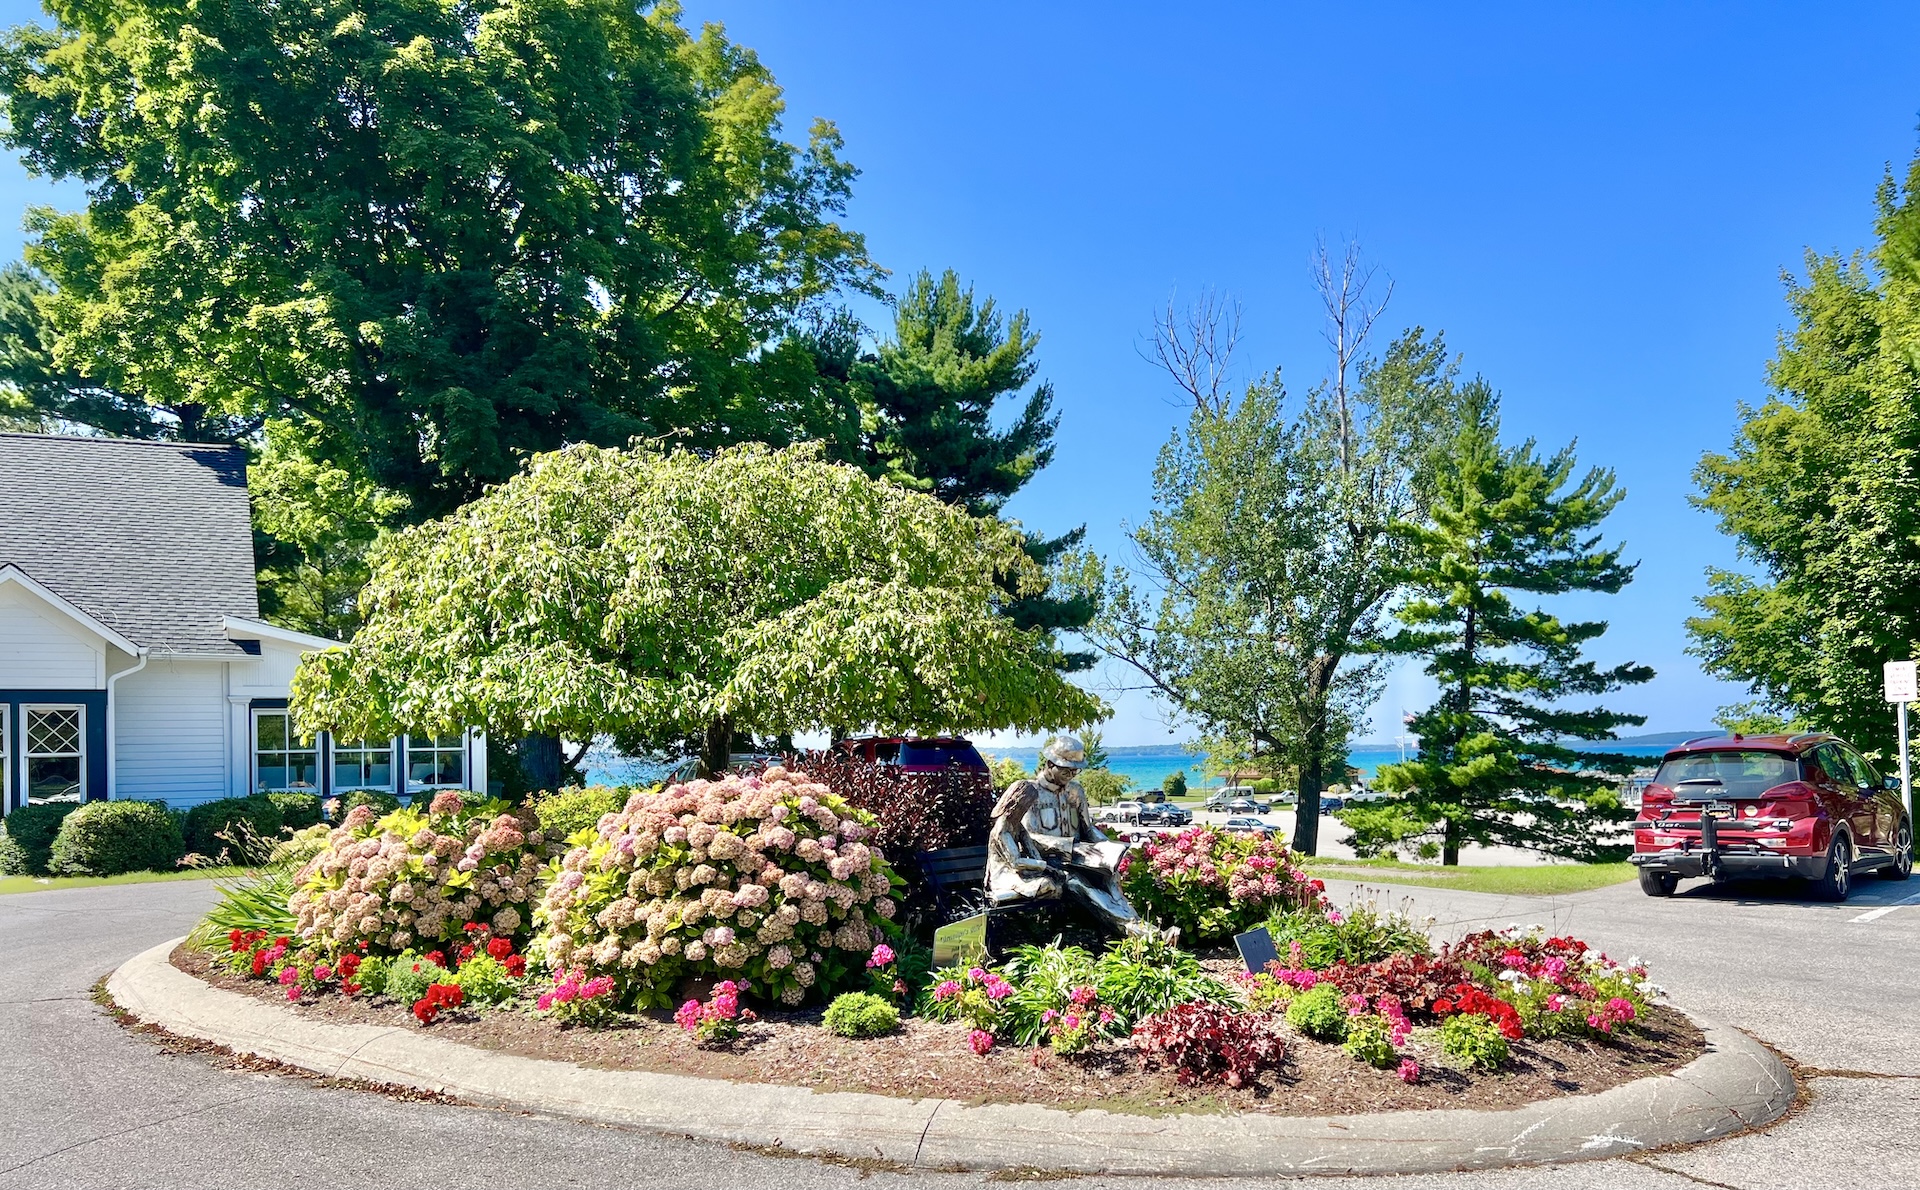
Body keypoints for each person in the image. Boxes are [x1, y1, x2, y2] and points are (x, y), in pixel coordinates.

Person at [987, 733, 1169, 940]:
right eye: (1066, 769)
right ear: (1050, 764)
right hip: (1050, 862)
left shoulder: (1076, 791)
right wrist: (1070, 846)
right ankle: (1140, 934)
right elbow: (1032, 837)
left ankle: (1137, 927)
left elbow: (1088, 829)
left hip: (1081, 859)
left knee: (1110, 877)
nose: (1072, 774)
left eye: (1076, 770)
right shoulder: (1031, 793)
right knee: (1076, 883)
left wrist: (1108, 847)